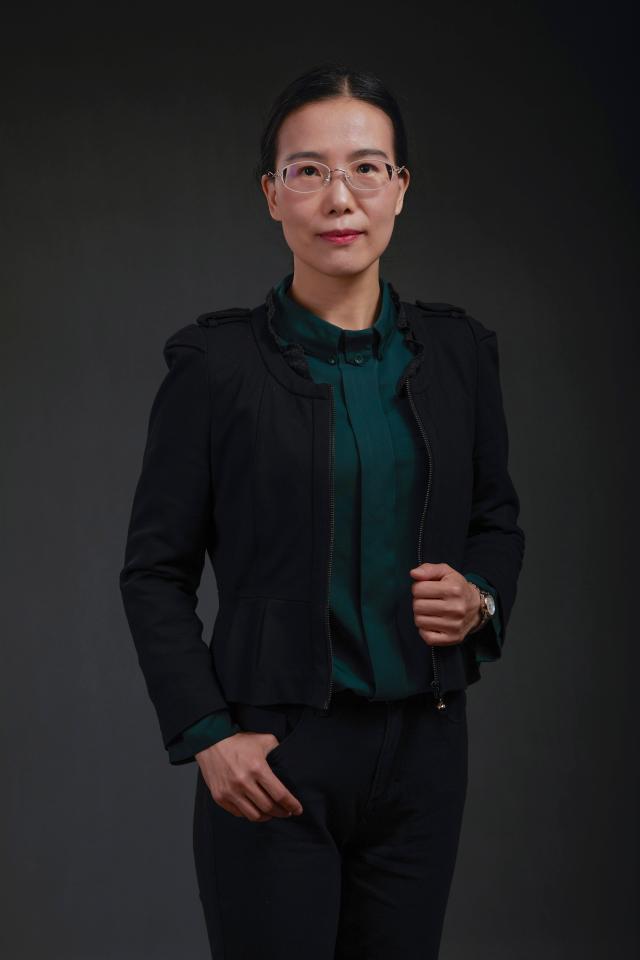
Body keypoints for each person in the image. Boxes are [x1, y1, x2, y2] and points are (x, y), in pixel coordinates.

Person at [119, 62, 525, 960]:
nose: (340, 197)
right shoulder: (216, 368)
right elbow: (153, 572)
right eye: (308, 171)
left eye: (366, 168)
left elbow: (497, 521)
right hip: (274, 753)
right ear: (273, 195)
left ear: (400, 188)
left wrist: (480, 597)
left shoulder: (459, 353)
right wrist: (209, 735)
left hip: (425, 753)